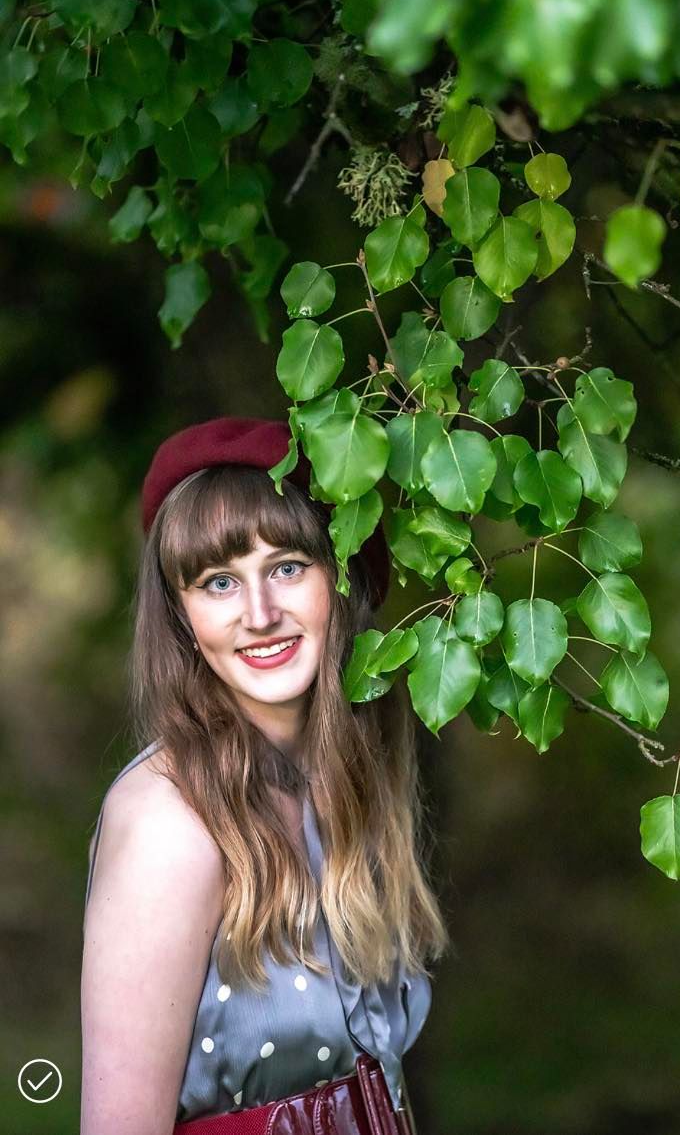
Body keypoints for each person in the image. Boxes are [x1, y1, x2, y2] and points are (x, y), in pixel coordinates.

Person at [80, 417, 449, 1135]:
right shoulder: (169, 824)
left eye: (286, 566)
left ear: (340, 578)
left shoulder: (342, 780)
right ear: (184, 619)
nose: (259, 615)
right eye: (219, 583)